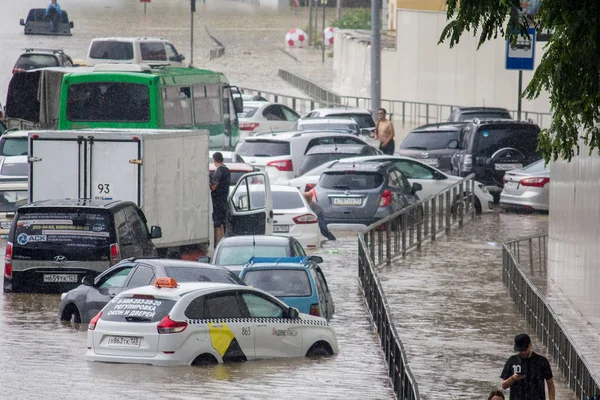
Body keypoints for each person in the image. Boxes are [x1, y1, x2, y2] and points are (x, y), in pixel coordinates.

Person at [500, 333, 555, 400]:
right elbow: (503, 386)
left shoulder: (541, 361)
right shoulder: (512, 361)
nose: (522, 353)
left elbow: (551, 386)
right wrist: (513, 378)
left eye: (525, 350)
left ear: (530, 345)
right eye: (520, 350)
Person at [209, 152, 230, 246]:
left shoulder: (219, 171)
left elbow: (213, 187)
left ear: (214, 160)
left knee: (217, 226)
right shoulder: (227, 170)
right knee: (222, 225)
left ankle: (218, 245)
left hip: (217, 202)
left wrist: (209, 180)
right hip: (224, 201)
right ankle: (223, 245)